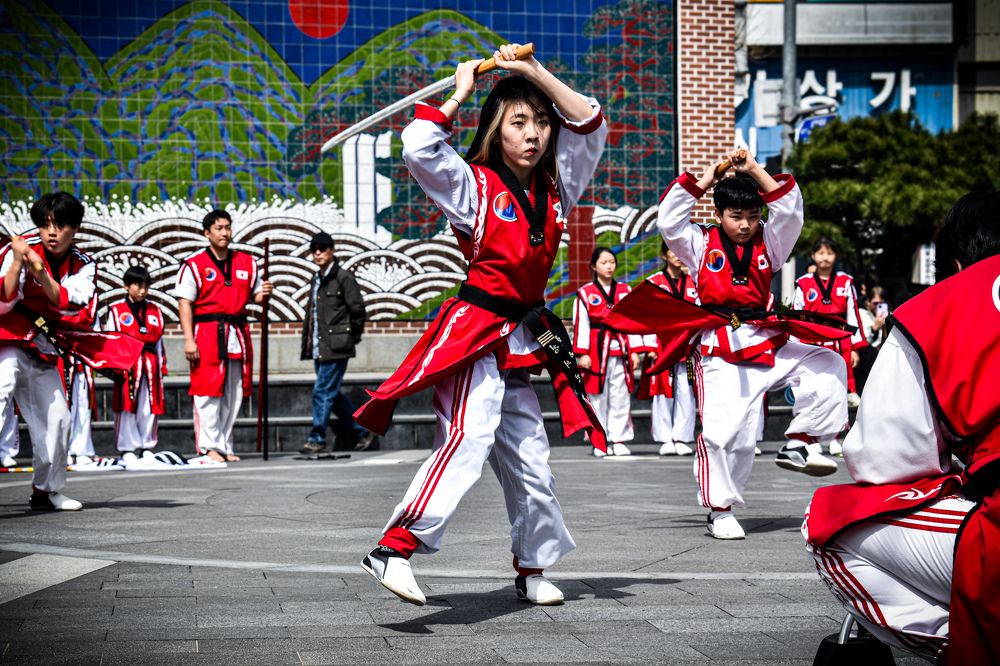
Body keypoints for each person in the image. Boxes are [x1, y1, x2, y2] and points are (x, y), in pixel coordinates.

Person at [353, 43, 607, 607]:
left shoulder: (558, 188)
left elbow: (589, 121)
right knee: (468, 438)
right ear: (496, 130)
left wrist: (532, 72)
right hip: (476, 332)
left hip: (524, 332)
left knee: (533, 462)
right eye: (519, 122)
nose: (534, 133)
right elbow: (419, 147)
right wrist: (462, 91)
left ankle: (533, 567)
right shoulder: (473, 186)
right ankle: (393, 548)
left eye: (541, 123)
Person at [803, 190, 1000, 664]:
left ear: (955, 264)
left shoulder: (941, 304)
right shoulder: (812, 285)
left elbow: (884, 458)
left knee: (829, 521)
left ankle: (971, 642)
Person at [655, 150, 847, 540]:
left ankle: (800, 440)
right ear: (719, 213)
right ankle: (720, 509)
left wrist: (755, 170)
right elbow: (668, 220)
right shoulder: (698, 242)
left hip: (767, 339)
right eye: (735, 216)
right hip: (719, 347)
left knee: (828, 363)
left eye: (752, 216)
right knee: (727, 435)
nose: (744, 225)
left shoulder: (771, 242)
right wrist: (708, 178)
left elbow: (791, 212)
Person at [0, 193, 96, 510]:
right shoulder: (18, 250)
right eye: (45, 225)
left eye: (60, 225)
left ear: (76, 228)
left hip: (42, 346)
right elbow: (4, 300)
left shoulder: (84, 266)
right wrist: (17, 261)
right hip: (7, 340)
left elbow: (65, 302)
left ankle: (46, 491)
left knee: (58, 418)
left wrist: (40, 272)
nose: (51, 233)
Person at [174, 209, 272, 463]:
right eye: (219, 228)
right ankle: (209, 446)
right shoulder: (193, 264)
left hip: (237, 332)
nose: (225, 232)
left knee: (234, 391)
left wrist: (266, 292)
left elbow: (256, 296)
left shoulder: (246, 262)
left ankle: (225, 444)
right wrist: (188, 338)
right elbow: (185, 303)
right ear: (207, 233)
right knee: (207, 390)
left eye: (227, 227)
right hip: (206, 332)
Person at [299, 231, 373, 454]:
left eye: (322, 249)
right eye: (314, 250)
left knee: (321, 391)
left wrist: (351, 337)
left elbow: (358, 310)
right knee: (332, 393)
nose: (318, 253)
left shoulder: (343, 277)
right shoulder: (316, 278)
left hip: (337, 346)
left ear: (332, 251)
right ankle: (361, 430)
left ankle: (317, 438)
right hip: (320, 346)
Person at [573, 247, 647, 457]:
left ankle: (619, 438)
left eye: (612, 262)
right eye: (604, 262)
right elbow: (582, 325)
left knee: (621, 396)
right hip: (596, 351)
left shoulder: (625, 290)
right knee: (597, 396)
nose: (609, 266)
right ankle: (599, 440)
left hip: (621, 348)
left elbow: (632, 321)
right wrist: (582, 353)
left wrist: (635, 351)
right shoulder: (586, 293)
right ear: (594, 266)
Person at [792, 237, 866, 416]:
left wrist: (855, 348)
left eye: (830, 253)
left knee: (839, 385)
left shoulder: (846, 281)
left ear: (836, 256)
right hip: (812, 338)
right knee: (814, 386)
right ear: (813, 255)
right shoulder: (804, 283)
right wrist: (795, 346)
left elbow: (853, 315)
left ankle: (843, 410)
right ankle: (812, 432)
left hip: (840, 338)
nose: (825, 257)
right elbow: (796, 315)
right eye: (821, 252)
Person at [639, 242, 697, 457]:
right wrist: (650, 346)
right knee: (663, 392)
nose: (677, 256)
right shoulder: (654, 282)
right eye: (673, 251)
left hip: (686, 345)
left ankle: (681, 437)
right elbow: (645, 317)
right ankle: (665, 438)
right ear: (664, 255)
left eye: (681, 251)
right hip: (662, 344)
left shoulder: (693, 282)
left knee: (686, 391)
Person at [106, 265, 167, 461]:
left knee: (148, 406)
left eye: (146, 286)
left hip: (150, 363)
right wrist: (114, 368)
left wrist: (161, 366)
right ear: (126, 286)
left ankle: (147, 445)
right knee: (127, 405)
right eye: (137, 285)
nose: (142, 290)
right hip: (128, 364)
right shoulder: (116, 311)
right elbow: (111, 340)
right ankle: (127, 447)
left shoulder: (154, 311)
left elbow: (159, 342)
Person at [65, 295, 99, 466]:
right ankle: (64, 450)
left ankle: (83, 449)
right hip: (61, 357)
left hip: (82, 359)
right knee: (64, 406)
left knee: (84, 406)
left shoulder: (91, 303)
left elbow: (96, 332)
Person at [854, 285, 890, 393]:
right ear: (868, 302)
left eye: (881, 304)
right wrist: (875, 327)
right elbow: (862, 341)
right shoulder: (862, 314)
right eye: (875, 303)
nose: (878, 306)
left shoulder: (889, 316)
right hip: (867, 360)